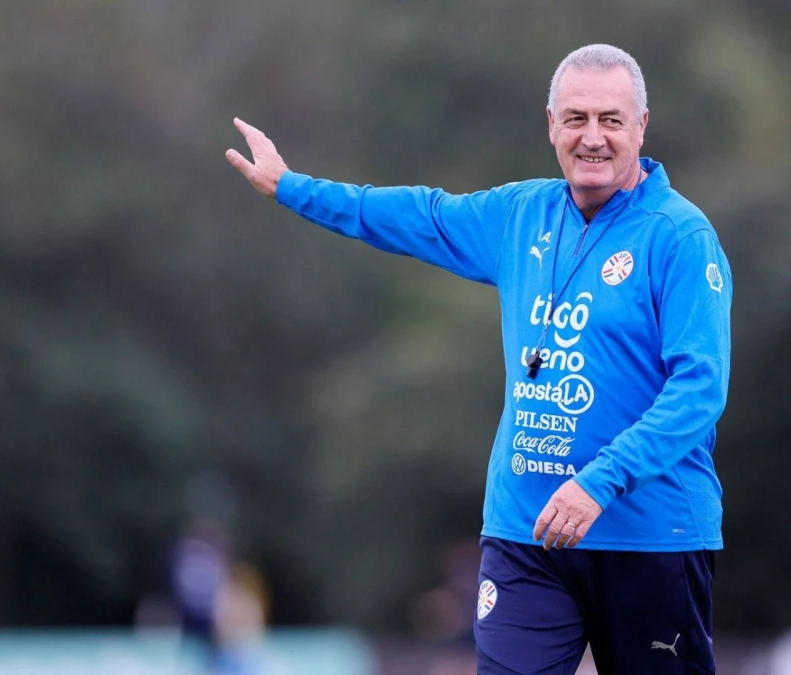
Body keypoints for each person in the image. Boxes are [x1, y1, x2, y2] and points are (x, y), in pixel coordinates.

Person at [227, 43, 732, 675]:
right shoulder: (522, 214)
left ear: (641, 127)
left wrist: (599, 483)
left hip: (650, 537)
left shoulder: (681, 238)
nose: (593, 138)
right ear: (551, 124)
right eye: (575, 119)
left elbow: (699, 391)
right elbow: (416, 215)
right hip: (526, 534)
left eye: (611, 120)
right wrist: (291, 188)